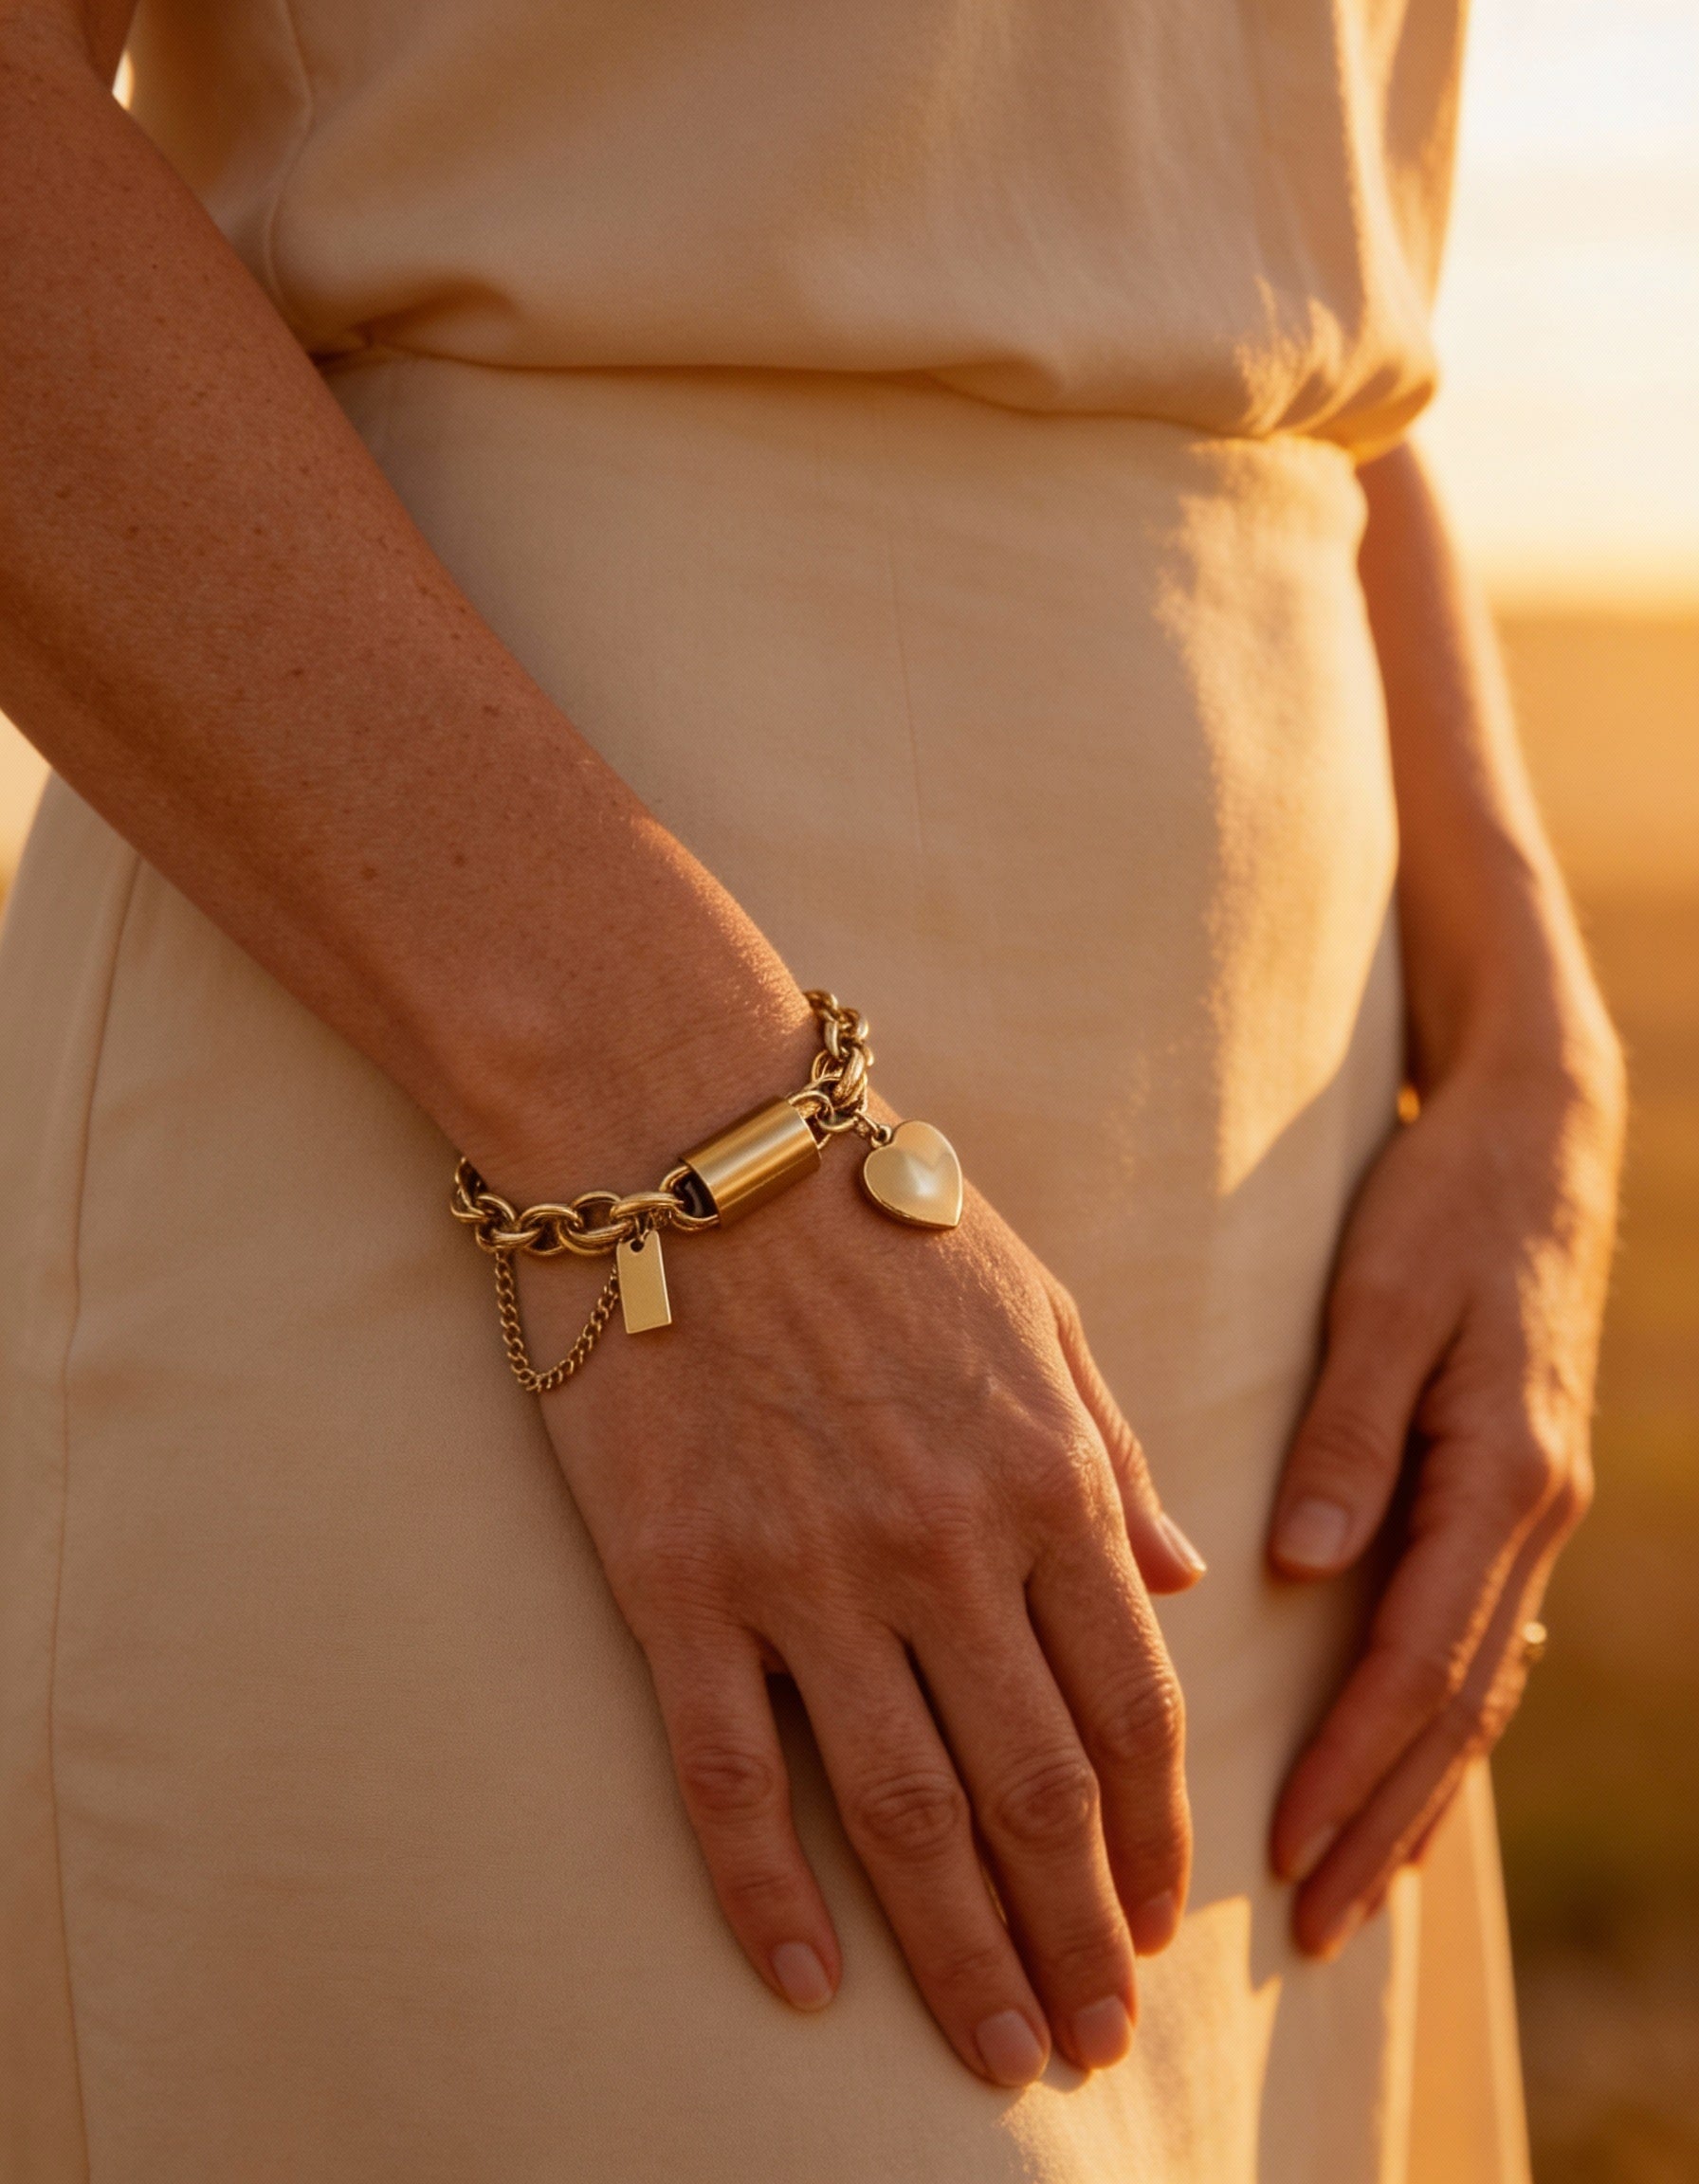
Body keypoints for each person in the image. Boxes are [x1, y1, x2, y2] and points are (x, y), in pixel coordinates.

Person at [0, 0, 1623, 2177]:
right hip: (529, 1092)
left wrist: (1521, 1032)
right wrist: (696, 1146)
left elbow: (1255, 265)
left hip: (1273, 1201)